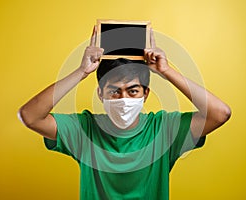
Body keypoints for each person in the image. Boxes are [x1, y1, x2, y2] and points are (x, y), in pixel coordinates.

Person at [18, 26, 231, 200]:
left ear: (145, 94)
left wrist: (166, 71)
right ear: (100, 94)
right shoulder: (84, 130)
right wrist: (81, 72)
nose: (123, 100)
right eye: (114, 91)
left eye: (133, 91)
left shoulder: (164, 129)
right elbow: (30, 116)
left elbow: (220, 113)